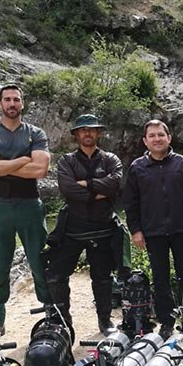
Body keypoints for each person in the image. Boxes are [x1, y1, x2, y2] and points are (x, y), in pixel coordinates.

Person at [0, 84, 51, 342]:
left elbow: (40, 170)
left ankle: (51, 312)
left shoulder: (35, 133)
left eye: (16, 99)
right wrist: (21, 161)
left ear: (22, 104)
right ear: (0, 103)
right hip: (1, 206)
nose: (12, 103)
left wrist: (1, 165)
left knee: (41, 263)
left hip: (30, 204)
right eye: (7, 99)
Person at [122, 120, 183, 338]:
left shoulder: (182, 164)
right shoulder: (137, 167)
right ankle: (166, 320)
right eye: (152, 136)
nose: (157, 139)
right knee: (160, 278)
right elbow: (130, 203)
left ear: (169, 138)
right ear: (145, 141)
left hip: (181, 229)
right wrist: (136, 231)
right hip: (153, 231)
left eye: (161, 135)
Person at [44, 114, 124, 335]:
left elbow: (115, 184)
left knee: (103, 277)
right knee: (56, 275)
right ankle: (62, 321)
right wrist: (98, 192)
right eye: (83, 130)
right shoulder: (66, 161)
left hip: (103, 227)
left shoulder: (111, 159)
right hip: (73, 228)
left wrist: (87, 184)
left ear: (98, 133)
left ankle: (105, 320)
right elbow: (68, 189)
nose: (87, 133)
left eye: (92, 129)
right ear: (76, 134)